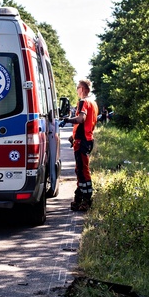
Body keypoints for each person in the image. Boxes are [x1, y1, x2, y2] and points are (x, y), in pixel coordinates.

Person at [60, 79, 98, 211]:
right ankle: (78, 198)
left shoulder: (84, 102)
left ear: (82, 89)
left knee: (82, 171)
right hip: (86, 139)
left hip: (82, 141)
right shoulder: (93, 102)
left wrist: (67, 120)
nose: (77, 90)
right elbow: (88, 123)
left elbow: (81, 119)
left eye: (77, 87)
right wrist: (73, 136)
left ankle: (87, 200)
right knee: (80, 170)